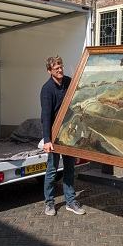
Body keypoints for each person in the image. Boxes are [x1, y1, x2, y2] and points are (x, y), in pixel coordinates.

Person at [40, 55, 85, 216]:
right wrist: (47, 140)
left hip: (68, 134)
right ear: (49, 71)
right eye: (56, 68)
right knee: (52, 170)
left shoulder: (68, 81)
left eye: (61, 66)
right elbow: (46, 116)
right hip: (54, 134)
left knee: (69, 169)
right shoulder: (47, 89)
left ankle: (71, 201)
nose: (60, 70)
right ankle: (49, 203)